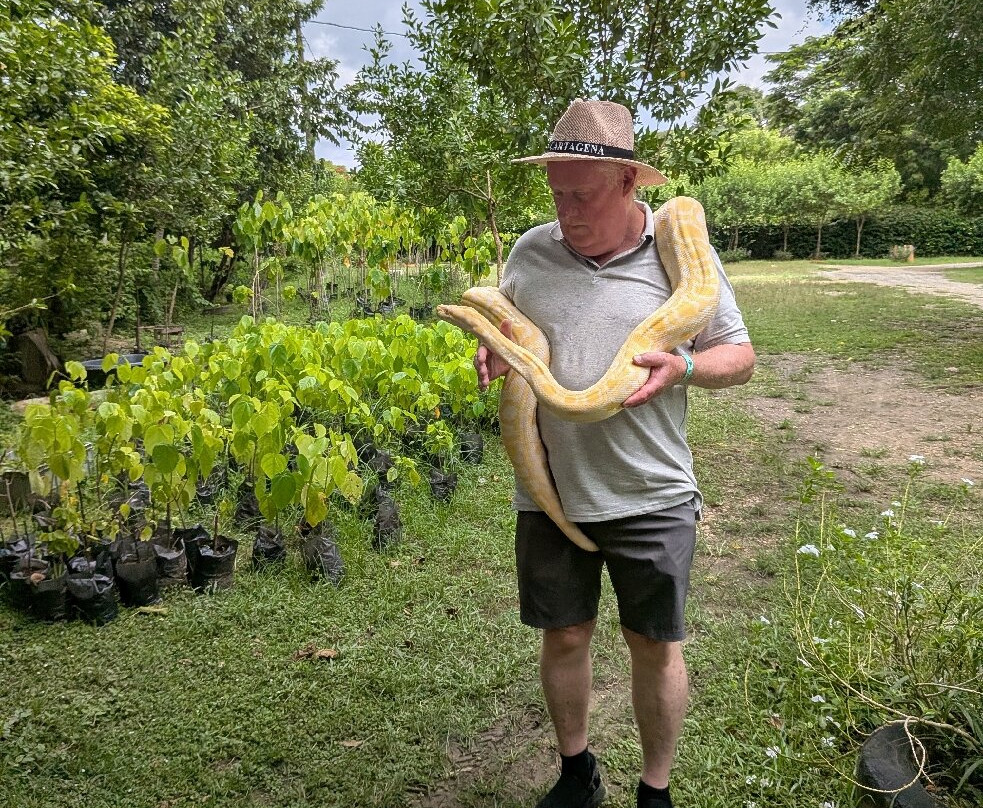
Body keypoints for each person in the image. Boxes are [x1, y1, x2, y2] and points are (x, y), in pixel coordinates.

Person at [473, 99, 756, 808]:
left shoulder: (681, 254)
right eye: (557, 193)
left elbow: (739, 357)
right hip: (553, 487)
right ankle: (576, 773)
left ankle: (655, 790)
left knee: (653, 644)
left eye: (582, 195)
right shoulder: (530, 251)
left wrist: (684, 367)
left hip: (649, 488)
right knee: (564, 636)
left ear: (629, 182)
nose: (566, 211)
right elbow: (515, 328)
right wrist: (496, 349)